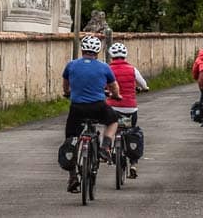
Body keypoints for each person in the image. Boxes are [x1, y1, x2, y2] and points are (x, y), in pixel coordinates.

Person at [62, 35, 122, 193]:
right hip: (98, 106)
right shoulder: (104, 67)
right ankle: (105, 147)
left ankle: (73, 176)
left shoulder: (71, 65)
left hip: (77, 108)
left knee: (71, 140)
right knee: (113, 120)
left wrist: (68, 93)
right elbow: (114, 87)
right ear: (98, 51)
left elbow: (66, 85)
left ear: (82, 49)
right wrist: (116, 95)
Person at [107, 42, 148, 178]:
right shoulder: (132, 69)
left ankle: (108, 150)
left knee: (110, 128)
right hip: (130, 108)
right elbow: (143, 84)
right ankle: (134, 164)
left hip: (113, 108)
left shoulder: (107, 69)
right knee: (132, 132)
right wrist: (144, 89)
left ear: (111, 56)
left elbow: (102, 85)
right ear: (125, 55)